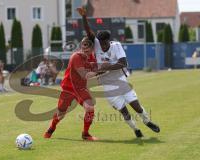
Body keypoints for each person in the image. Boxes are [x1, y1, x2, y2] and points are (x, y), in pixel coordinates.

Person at [77, 7, 160, 138]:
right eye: (101, 44)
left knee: (136, 106)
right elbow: (88, 32)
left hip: (121, 81)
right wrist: (84, 16)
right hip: (108, 85)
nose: (102, 47)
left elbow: (123, 63)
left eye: (105, 44)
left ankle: (147, 121)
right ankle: (135, 129)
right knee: (124, 111)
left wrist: (105, 67)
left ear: (108, 41)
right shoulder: (97, 43)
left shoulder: (116, 46)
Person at [44, 37, 99, 141]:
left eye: (88, 48)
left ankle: (85, 134)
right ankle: (52, 127)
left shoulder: (92, 57)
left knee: (90, 107)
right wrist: (100, 71)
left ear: (92, 48)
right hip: (68, 88)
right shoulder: (76, 56)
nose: (85, 50)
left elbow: (96, 68)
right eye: (83, 47)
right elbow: (84, 75)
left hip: (80, 88)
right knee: (61, 115)